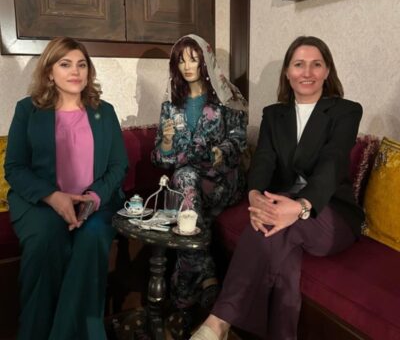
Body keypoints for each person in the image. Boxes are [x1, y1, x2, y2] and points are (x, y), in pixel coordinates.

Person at [191, 36, 364, 340]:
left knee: (271, 223)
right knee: (281, 248)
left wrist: (300, 207)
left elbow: (334, 162)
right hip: (281, 205)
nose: (307, 72)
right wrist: (255, 196)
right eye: (299, 64)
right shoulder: (274, 114)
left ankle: (219, 321)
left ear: (327, 71)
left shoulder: (346, 111)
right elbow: (263, 160)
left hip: (330, 212)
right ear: (287, 71)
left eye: (316, 64)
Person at [4, 37, 128, 340]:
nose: (75, 71)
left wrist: (94, 198)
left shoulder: (104, 112)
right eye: (65, 64)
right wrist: (53, 197)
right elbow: (15, 167)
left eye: (81, 64)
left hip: (97, 202)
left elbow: (118, 165)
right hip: (40, 202)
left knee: (91, 240)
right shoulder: (27, 110)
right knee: (45, 239)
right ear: (50, 72)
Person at [151, 34, 248, 337]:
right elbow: (160, 159)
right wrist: (167, 142)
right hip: (188, 186)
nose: (187, 66)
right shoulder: (171, 106)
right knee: (185, 182)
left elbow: (239, 142)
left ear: (205, 61)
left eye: (193, 58)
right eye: (181, 60)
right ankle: (204, 284)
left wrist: (220, 152)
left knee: (184, 185)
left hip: (221, 182)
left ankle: (183, 304)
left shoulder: (226, 99)